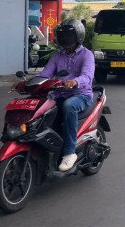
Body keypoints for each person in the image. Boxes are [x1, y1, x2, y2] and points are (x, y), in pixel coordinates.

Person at [37, 19, 94, 172]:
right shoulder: (57, 56)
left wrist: (75, 81)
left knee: (69, 106)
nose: (65, 39)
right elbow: (45, 74)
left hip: (81, 94)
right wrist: (28, 83)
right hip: (60, 93)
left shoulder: (86, 55)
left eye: (69, 36)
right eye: (62, 36)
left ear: (78, 36)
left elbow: (87, 76)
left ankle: (69, 152)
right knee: (42, 107)